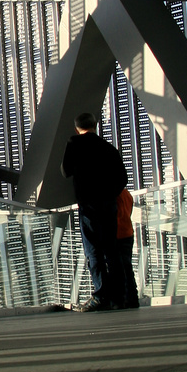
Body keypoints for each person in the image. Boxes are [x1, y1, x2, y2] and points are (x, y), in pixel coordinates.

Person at [61, 112, 127, 311]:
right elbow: (122, 178)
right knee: (111, 250)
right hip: (108, 205)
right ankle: (119, 298)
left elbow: (65, 171)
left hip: (88, 206)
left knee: (93, 251)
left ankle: (100, 296)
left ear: (76, 128)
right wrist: (109, 195)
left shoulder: (74, 144)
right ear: (95, 125)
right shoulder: (109, 148)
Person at [116, 186, 140, 309]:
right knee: (127, 266)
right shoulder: (127, 194)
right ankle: (132, 297)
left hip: (117, 234)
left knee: (118, 268)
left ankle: (123, 298)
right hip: (127, 233)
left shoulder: (113, 194)